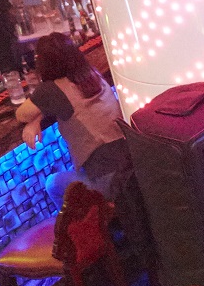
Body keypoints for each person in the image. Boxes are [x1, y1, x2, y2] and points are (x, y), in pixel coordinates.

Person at [17, 33, 128, 200]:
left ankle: (92, 217)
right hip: (131, 166)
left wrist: (33, 120)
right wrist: (38, 118)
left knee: (53, 184)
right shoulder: (91, 73)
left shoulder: (51, 89)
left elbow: (21, 115)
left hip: (109, 183)